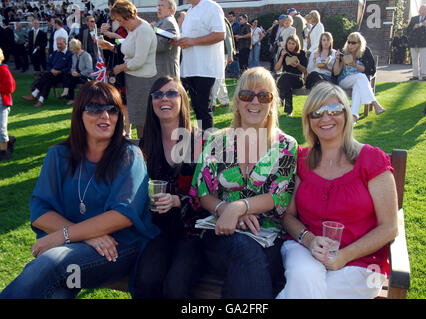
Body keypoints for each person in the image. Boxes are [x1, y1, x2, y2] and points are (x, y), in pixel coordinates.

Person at [0, 81, 160, 299]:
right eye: (94, 108)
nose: (104, 115)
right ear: (79, 115)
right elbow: (40, 211)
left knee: (51, 262)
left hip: (119, 247)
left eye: (112, 109)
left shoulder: (129, 156)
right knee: (57, 290)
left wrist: (61, 237)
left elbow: (123, 215)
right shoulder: (58, 155)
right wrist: (81, 236)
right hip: (78, 247)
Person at [276, 81, 398, 299]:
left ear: (347, 114)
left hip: (362, 261)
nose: (325, 118)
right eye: (316, 113)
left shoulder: (371, 159)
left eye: (334, 110)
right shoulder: (302, 160)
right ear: (308, 120)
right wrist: (310, 240)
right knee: (303, 275)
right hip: (305, 249)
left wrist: (344, 256)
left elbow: (389, 227)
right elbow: (288, 216)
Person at [190, 67, 298, 298]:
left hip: (268, 235)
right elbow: (203, 190)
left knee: (249, 262)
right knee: (245, 253)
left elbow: (280, 195)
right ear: (237, 102)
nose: (255, 101)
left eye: (264, 95)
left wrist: (239, 207)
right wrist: (224, 211)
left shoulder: (286, 146)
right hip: (221, 233)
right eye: (247, 95)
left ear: (272, 104)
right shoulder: (218, 141)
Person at [134, 76, 208, 298]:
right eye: (157, 95)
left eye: (171, 93)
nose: (164, 99)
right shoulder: (146, 145)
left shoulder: (201, 142)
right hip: (158, 230)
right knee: (145, 281)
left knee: (175, 287)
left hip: (194, 232)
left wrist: (179, 200)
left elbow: (213, 195)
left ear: (183, 100)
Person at [99, 0, 157, 139]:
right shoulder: (132, 30)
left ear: (129, 16)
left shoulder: (143, 30)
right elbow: (127, 49)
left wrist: (120, 67)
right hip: (133, 80)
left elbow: (139, 60)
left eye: (120, 20)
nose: (120, 24)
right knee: (138, 120)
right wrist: (111, 47)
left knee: (143, 121)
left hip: (143, 81)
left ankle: (146, 151)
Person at [172, 0, 225, 131]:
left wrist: (192, 41)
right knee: (192, 107)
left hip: (205, 68)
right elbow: (189, 37)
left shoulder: (211, 7)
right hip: (189, 68)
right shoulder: (190, 11)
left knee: (202, 109)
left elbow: (220, 34)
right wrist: (178, 40)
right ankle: (196, 140)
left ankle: (208, 145)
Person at [333, 32, 385, 123]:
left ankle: (353, 117)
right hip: (344, 81)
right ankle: (375, 103)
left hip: (358, 81)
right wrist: (337, 59)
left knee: (358, 86)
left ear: (359, 44)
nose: (350, 45)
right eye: (349, 42)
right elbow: (336, 72)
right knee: (360, 77)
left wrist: (354, 65)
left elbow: (368, 70)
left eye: (353, 43)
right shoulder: (344, 53)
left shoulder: (365, 53)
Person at [101, 0, 131, 138]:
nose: (111, 10)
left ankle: (128, 131)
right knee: (115, 99)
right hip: (113, 61)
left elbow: (129, 43)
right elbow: (114, 46)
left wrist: (114, 37)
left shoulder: (128, 22)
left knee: (125, 102)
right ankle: (118, 129)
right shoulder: (109, 20)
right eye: (110, 6)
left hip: (124, 63)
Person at [22, 37, 72, 108]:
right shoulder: (55, 53)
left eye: (60, 44)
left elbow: (69, 67)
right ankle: (40, 100)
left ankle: (34, 94)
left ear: (65, 43)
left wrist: (60, 71)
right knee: (47, 80)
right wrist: (51, 70)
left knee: (46, 76)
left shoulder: (69, 54)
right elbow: (48, 64)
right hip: (52, 74)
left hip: (62, 76)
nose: (59, 46)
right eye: (57, 44)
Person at [275, 34, 307, 116]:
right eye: (289, 43)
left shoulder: (301, 53)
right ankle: (289, 111)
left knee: (284, 78)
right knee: (286, 83)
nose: (291, 45)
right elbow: (277, 68)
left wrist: (298, 65)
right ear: (286, 44)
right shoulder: (284, 52)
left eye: (293, 43)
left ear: (297, 44)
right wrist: (282, 56)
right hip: (286, 80)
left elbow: (304, 70)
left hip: (298, 79)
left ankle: (279, 101)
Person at [60, 38, 93, 105]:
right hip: (76, 76)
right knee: (68, 75)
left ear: (76, 47)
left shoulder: (86, 55)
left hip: (85, 76)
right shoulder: (74, 56)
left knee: (71, 79)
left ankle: (68, 93)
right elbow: (73, 67)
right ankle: (69, 96)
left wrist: (79, 74)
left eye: (72, 48)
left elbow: (89, 69)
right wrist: (73, 72)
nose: (70, 49)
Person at [406, 5, 426, 81]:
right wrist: (413, 27)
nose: (422, 11)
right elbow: (408, 30)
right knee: (414, 59)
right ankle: (415, 75)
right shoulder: (414, 18)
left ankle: (424, 75)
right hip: (414, 42)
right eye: (421, 9)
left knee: (423, 59)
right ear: (419, 10)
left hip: (424, 42)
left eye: (424, 9)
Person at [154, 0, 180, 79]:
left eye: (162, 6)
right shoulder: (162, 22)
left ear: (171, 11)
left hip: (166, 72)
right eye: (158, 6)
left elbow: (161, 46)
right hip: (162, 72)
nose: (159, 8)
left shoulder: (168, 22)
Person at [0, 48, 16, 162]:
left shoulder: (3, 70)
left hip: (2, 101)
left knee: (1, 128)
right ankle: (9, 141)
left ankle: (4, 152)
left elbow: (10, 87)